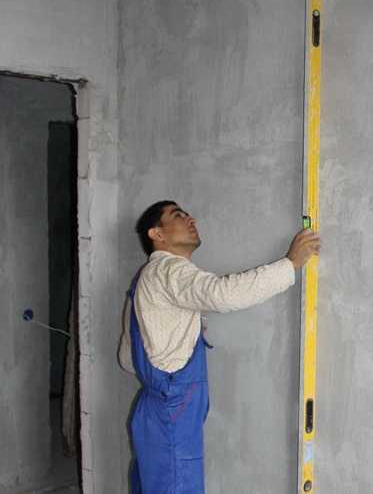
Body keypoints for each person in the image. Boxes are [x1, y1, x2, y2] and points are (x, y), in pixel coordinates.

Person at [118, 200, 320, 494]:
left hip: (152, 411)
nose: (191, 219)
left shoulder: (144, 278)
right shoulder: (170, 270)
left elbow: (127, 357)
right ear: (156, 234)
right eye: (178, 215)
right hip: (173, 410)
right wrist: (290, 264)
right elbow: (222, 294)